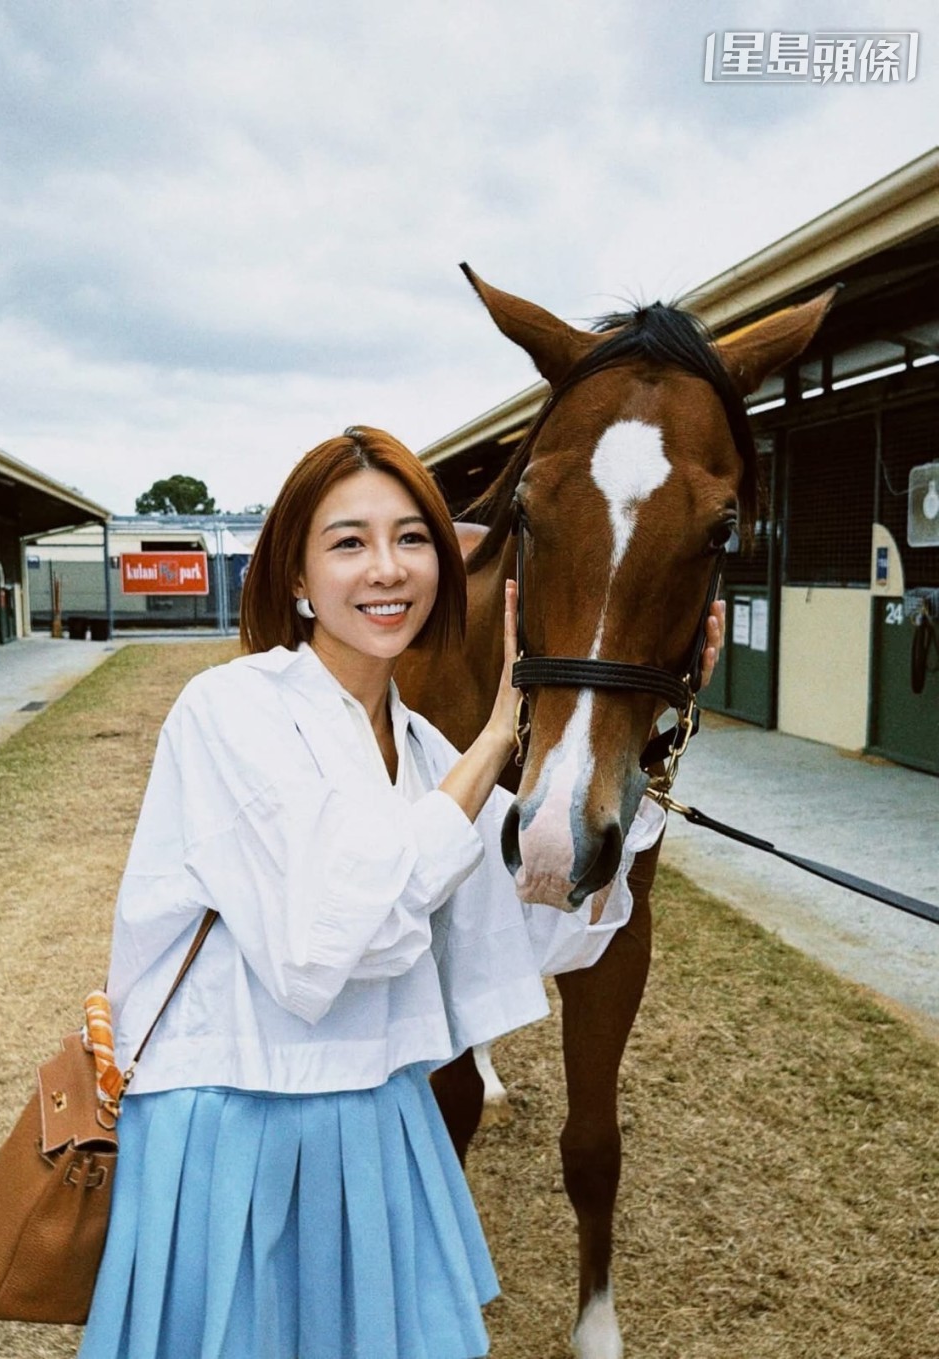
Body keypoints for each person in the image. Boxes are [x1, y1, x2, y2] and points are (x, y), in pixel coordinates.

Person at [78, 426, 722, 1359]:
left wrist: (656, 725)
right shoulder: (231, 712)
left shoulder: (421, 750)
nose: (387, 567)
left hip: (382, 1126)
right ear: (296, 577)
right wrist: (498, 742)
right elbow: (321, 950)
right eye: (348, 541)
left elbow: (546, 930)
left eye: (413, 538)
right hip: (231, 1131)